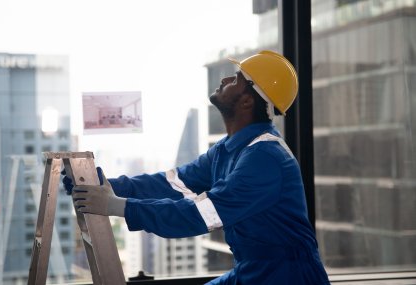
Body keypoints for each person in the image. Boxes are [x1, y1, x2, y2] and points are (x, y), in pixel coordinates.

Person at [62, 50, 330, 284]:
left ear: (248, 101)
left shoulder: (265, 159)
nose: (225, 79)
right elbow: (171, 184)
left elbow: (199, 215)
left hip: (288, 278)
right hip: (255, 272)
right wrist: (103, 186)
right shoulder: (228, 150)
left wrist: (114, 205)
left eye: (237, 78)